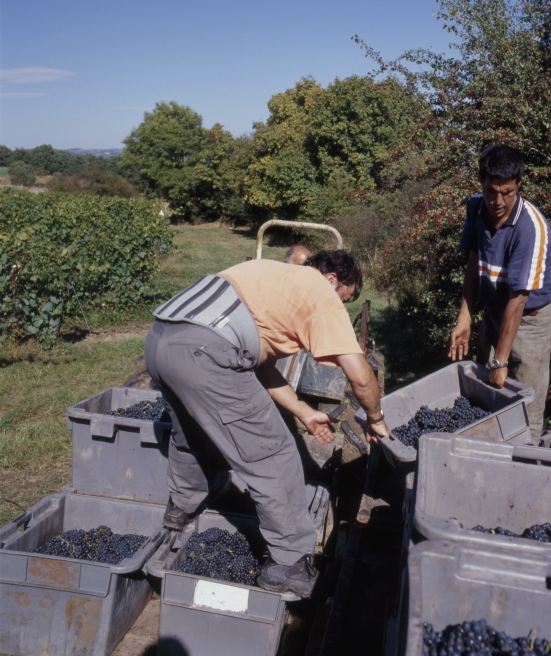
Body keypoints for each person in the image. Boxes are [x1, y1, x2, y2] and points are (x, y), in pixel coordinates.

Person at [144, 250, 389, 598]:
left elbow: (259, 367)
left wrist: (304, 411)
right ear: (332, 279)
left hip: (161, 340)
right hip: (205, 351)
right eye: (344, 299)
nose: (341, 307)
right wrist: (376, 419)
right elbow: (362, 378)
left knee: (192, 433)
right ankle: (288, 563)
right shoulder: (318, 290)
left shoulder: (268, 273)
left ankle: (181, 507)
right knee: (275, 454)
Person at [448, 145, 551, 445]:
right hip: (495, 314)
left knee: (524, 412)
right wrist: (465, 318)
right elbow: (474, 264)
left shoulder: (530, 228)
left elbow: (519, 299)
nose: (497, 201)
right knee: (486, 399)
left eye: (507, 192)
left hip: (530, 323)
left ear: (519, 182)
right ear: (481, 182)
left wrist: (501, 360)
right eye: (491, 191)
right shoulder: (475, 208)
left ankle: (525, 465)